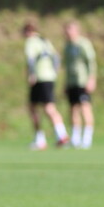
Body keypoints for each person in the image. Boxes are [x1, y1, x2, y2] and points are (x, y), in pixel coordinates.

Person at [23, 22, 69, 150]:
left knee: (37, 108)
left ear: (27, 32)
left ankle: (41, 139)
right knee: (47, 107)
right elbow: (56, 58)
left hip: (39, 78)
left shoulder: (31, 42)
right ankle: (61, 135)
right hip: (50, 78)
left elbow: (30, 60)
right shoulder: (45, 41)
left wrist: (31, 74)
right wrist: (54, 71)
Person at [63, 21, 97, 149]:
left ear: (76, 30)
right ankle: (75, 139)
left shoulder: (83, 44)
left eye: (70, 29)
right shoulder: (67, 46)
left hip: (83, 81)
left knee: (85, 108)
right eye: (66, 30)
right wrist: (65, 83)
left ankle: (87, 139)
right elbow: (67, 66)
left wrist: (91, 79)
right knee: (73, 109)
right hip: (72, 82)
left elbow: (91, 62)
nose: (67, 32)